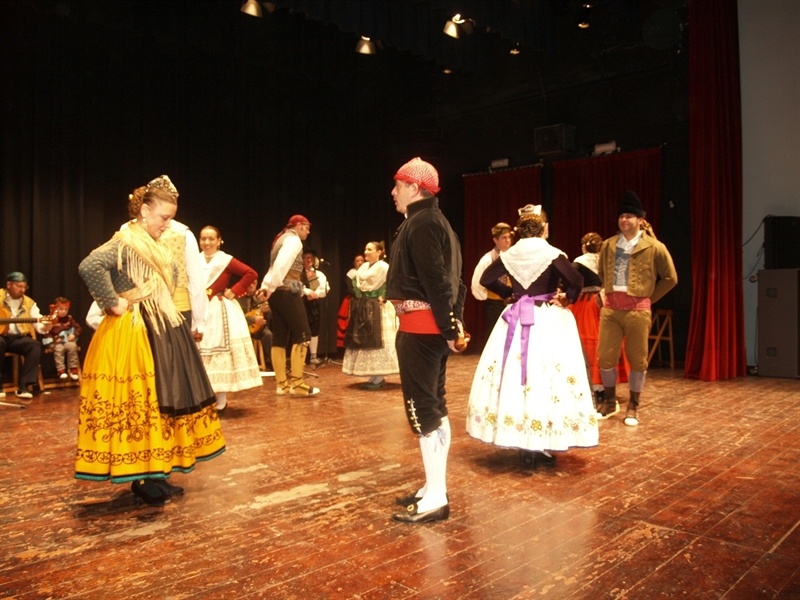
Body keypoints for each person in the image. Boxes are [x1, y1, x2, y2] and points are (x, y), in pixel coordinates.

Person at [76, 184, 225, 507]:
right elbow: (89, 266)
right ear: (144, 211)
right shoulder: (126, 241)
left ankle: (157, 472)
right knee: (140, 401)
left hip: (161, 325)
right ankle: (141, 477)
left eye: (170, 219)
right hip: (135, 331)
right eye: (163, 217)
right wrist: (112, 301)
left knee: (162, 400)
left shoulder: (154, 243)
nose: (167, 224)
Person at [466, 206, 599, 468]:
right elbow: (575, 280)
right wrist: (568, 298)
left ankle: (521, 440)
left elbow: (486, 278)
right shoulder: (552, 254)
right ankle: (538, 441)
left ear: (519, 232)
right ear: (541, 230)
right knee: (544, 376)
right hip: (546, 318)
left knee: (516, 375)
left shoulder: (510, 254)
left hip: (516, 317)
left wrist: (509, 294)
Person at [386, 157, 466, 524]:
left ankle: (435, 497)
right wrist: (453, 325)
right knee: (435, 406)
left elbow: (438, 282)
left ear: (415, 188)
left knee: (424, 411)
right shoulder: (437, 222)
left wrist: (450, 329)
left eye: (398, 185)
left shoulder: (422, 224)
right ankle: (434, 487)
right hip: (429, 329)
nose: (393, 192)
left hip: (421, 331)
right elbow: (455, 281)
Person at [595, 191, 677, 426]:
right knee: (606, 357)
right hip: (611, 310)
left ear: (640, 219)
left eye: (629, 216)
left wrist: (649, 298)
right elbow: (601, 273)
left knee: (638, 359)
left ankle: (633, 404)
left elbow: (670, 278)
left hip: (638, 311)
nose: (624, 220)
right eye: (621, 216)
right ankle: (610, 401)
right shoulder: (608, 245)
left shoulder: (654, 246)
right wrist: (604, 292)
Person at [123, 175, 207, 341]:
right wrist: (199, 321)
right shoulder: (183, 233)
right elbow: (196, 281)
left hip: (150, 312)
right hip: (153, 312)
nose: (167, 223)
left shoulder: (126, 230)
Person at [197, 226, 263, 411]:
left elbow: (251, 273)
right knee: (200, 350)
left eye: (211, 239)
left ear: (219, 241)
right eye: (203, 239)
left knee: (219, 351)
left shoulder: (225, 260)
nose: (207, 242)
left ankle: (221, 398)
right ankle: (204, 396)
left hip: (218, 309)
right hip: (199, 309)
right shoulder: (194, 259)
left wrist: (235, 290)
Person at [260, 215, 320, 396]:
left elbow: (273, 268)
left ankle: (282, 385)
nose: (308, 232)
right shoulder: (293, 240)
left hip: (278, 294)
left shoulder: (280, 239)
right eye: (307, 228)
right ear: (299, 226)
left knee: (279, 338)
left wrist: (267, 287)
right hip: (286, 293)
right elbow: (281, 265)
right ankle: (297, 383)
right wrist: (270, 287)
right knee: (303, 335)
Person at [569, 232, 629, 409]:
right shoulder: (607, 261)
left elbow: (571, 282)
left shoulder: (579, 262)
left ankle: (591, 386)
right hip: (605, 303)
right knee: (605, 342)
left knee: (587, 343)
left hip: (585, 304)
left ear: (583, 247)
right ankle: (604, 387)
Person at [341, 241, 399, 389]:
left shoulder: (384, 267)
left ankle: (379, 377)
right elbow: (356, 283)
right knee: (366, 339)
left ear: (379, 252)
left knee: (378, 338)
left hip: (378, 306)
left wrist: (383, 296)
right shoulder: (364, 267)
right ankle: (374, 376)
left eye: (370, 249)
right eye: (365, 249)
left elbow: (391, 282)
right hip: (364, 305)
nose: (366, 252)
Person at [0, 271, 52, 403]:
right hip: (1, 337)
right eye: (19, 286)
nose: (22, 290)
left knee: (34, 346)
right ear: (9, 285)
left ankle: (24, 386)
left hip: (17, 338)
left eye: (24, 287)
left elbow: (38, 322)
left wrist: (46, 325)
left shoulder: (29, 303)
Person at [471, 222, 514, 332]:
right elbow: (477, 283)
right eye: (504, 238)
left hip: (513, 303)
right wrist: (489, 296)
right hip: (495, 305)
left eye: (509, 237)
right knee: (495, 334)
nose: (508, 240)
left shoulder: (514, 256)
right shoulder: (488, 259)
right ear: (495, 240)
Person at [300, 249, 330, 365]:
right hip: (301, 304)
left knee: (314, 330)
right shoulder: (298, 273)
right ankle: (300, 357)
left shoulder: (319, 274)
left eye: (310, 257)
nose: (308, 260)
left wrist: (315, 294)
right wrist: (307, 292)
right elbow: (297, 287)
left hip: (314, 305)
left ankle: (313, 356)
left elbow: (325, 288)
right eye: (305, 257)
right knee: (301, 330)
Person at [238, 279, 273, 370]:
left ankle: (274, 364)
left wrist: (267, 311)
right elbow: (237, 317)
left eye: (254, 283)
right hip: (243, 329)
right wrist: (253, 320)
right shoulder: (239, 298)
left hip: (260, 329)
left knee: (268, 335)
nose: (251, 285)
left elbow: (269, 318)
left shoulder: (259, 297)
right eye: (250, 282)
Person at [47, 296, 83, 380]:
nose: (63, 311)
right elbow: (45, 333)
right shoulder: (50, 319)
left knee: (72, 346)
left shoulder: (69, 319)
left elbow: (78, 328)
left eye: (65, 309)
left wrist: (74, 335)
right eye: (61, 309)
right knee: (59, 349)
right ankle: (61, 370)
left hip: (67, 341)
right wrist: (54, 339)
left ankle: (73, 369)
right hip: (55, 342)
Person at [336, 254, 364, 350]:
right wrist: (359, 295)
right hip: (352, 300)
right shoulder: (351, 274)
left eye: (362, 260)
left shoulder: (367, 273)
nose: (360, 263)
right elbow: (350, 288)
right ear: (354, 263)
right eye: (357, 261)